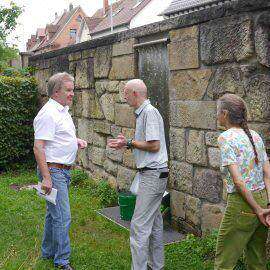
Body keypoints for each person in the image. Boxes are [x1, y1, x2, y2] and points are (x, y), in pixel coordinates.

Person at [108, 79, 168, 270]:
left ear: (135, 93)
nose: (123, 97)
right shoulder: (144, 113)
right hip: (152, 174)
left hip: (152, 175)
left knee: (139, 226)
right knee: (155, 224)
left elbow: (154, 145)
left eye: (126, 93)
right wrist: (127, 143)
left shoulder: (149, 112)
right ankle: (155, 265)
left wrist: (129, 142)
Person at [33, 72, 87, 270]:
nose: (73, 94)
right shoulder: (48, 113)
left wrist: (75, 141)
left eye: (73, 90)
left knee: (52, 214)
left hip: (60, 171)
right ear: (56, 92)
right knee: (63, 217)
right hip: (53, 172)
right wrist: (46, 178)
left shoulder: (62, 111)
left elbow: (57, 138)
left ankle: (47, 252)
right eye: (69, 90)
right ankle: (62, 262)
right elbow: (38, 147)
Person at [214, 93, 270, 270]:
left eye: (217, 112)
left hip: (243, 203)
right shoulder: (256, 136)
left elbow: (238, 182)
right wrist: (267, 205)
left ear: (225, 114)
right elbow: (268, 173)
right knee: (257, 258)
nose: (217, 116)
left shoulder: (225, 138)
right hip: (262, 199)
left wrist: (256, 209)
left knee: (225, 260)